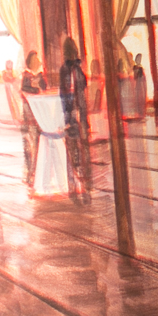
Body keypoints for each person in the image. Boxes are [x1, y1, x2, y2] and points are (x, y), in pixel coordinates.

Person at [59, 38, 91, 202]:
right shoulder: (77, 69)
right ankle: (84, 181)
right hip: (79, 109)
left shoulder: (66, 70)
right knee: (82, 144)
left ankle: (77, 182)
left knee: (74, 146)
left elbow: (64, 93)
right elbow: (83, 85)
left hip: (72, 111)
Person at [20, 50, 44, 188]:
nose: (38, 62)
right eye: (36, 60)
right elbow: (26, 89)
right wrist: (36, 87)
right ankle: (30, 173)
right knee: (29, 144)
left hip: (37, 114)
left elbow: (44, 87)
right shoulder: (26, 76)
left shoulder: (37, 75)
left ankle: (36, 172)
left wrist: (40, 79)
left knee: (37, 142)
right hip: (29, 115)